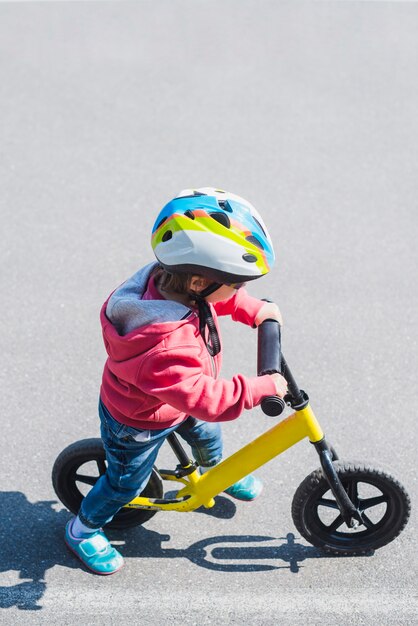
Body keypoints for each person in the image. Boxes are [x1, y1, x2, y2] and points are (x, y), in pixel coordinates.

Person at [65, 187, 287, 575]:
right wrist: (260, 389)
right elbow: (208, 400)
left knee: (206, 437)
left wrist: (251, 309)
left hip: (171, 397)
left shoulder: (168, 280)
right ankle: (82, 529)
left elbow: (215, 300)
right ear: (200, 282)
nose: (238, 291)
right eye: (235, 284)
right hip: (138, 419)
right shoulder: (164, 346)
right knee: (124, 484)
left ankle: (216, 473)